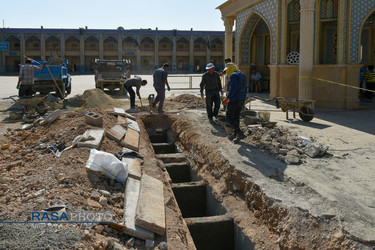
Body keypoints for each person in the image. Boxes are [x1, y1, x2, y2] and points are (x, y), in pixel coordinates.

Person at [222, 63, 247, 143]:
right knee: (236, 117)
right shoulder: (242, 75)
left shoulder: (233, 75)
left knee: (229, 117)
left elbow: (233, 88)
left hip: (234, 99)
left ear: (230, 69)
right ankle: (236, 133)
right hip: (241, 99)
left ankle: (239, 132)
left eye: (227, 71)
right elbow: (245, 87)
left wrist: (227, 98)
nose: (227, 73)